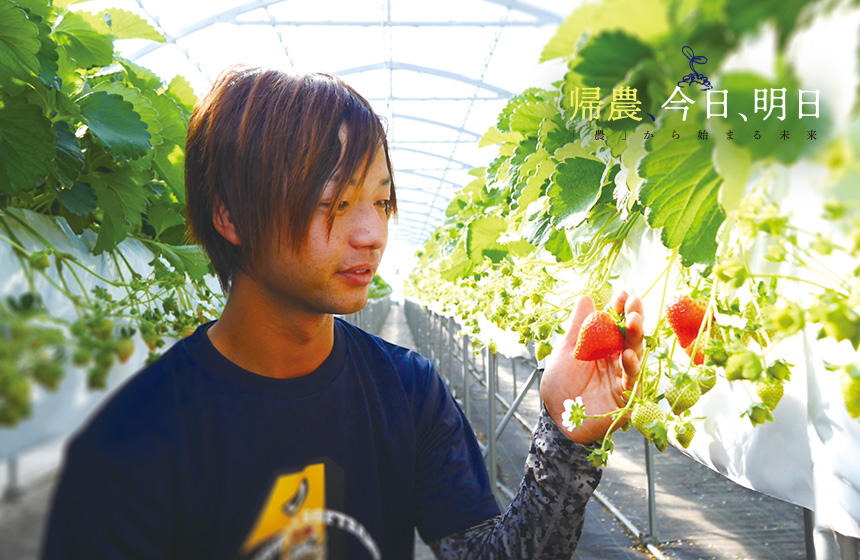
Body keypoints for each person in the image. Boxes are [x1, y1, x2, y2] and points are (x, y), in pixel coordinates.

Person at [42, 66, 644, 559]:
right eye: (334, 202)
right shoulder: (132, 442)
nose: (371, 235)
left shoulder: (408, 392)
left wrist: (566, 440)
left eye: (381, 200)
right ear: (230, 217)